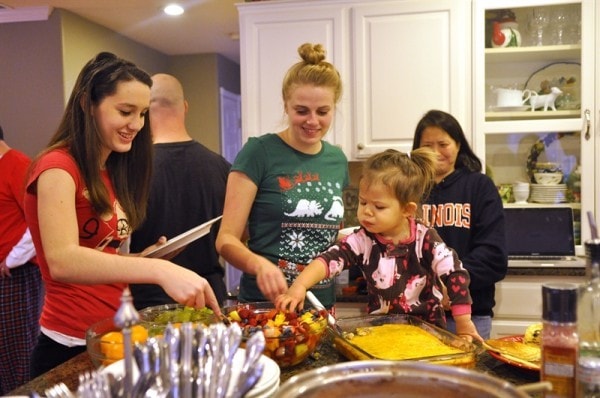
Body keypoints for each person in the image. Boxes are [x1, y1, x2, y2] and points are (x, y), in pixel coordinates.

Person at [23, 52, 221, 377]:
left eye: (143, 113)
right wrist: (154, 269)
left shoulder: (108, 170)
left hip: (112, 331)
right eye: (125, 111)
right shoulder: (56, 167)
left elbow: (99, 255)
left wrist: (145, 257)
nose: (137, 125)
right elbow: (62, 260)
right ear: (88, 103)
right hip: (69, 342)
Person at [276, 149, 482, 340]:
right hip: (380, 333)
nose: (366, 211)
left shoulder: (425, 239)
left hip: (426, 333)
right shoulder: (363, 240)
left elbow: (456, 273)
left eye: (379, 206)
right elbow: (328, 260)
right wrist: (300, 285)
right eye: (363, 202)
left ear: (407, 210)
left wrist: (463, 323)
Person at [216, 43, 349, 310]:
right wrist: (259, 265)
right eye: (302, 110)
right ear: (286, 106)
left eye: (323, 112)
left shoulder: (337, 160)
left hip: (321, 305)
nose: (312, 121)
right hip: (265, 305)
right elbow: (226, 239)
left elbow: (327, 235)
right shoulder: (259, 152)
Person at [129, 73, 231, 309]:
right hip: (209, 299)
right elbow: (240, 233)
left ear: (145, 110)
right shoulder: (222, 167)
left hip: (149, 304)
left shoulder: (129, 170)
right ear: (185, 107)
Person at [412, 109, 507, 339]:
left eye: (443, 143)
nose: (435, 152)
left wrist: (452, 284)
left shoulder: (480, 186)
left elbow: (493, 256)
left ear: (458, 145)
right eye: (427, 145)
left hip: (470, 317)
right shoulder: (407, 190)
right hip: (416, 317)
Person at [0, 124, 43, 394]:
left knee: (17, 354)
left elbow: (38, 221)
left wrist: (11, 260)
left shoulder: (17, 163)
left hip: (16, 276)